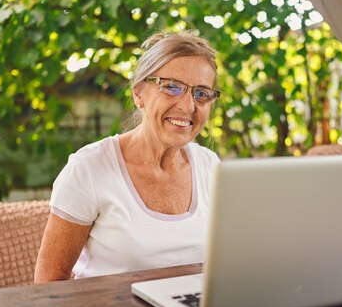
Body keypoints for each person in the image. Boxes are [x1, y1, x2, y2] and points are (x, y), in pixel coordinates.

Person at [34, 31, 222, 282]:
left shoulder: (210, 166)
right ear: (139, 94)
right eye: (171, 87)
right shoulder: (89, 168)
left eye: (201, 94)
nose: (188, 106)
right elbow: (48, 286)